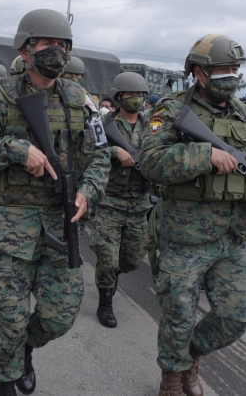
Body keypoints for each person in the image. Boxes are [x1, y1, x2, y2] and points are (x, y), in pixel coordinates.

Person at [0, 9, 109, 396]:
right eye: (48, 45)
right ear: (26, 50)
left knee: (59, 315)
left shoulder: (83, 101)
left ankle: (26, 348)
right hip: (12, 223)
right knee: (10, 314)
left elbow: (101, 157)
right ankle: (5, 379)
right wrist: (16, 149)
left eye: (64, 46)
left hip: (61, 223)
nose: (57, 53)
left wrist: (87, 192)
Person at [141, 34, 246, 396]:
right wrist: (202, 156)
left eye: (235, 69)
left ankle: (191, 355)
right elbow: (150, 161)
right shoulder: (172, 110)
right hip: (184, 236)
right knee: (178, 315)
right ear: (199, 73)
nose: (232, 77)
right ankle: (173, 377)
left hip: (232, 236)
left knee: (237, 312)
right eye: (223, 70)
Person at [89, 72, 152, 328]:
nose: (135, 99)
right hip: (110, 202)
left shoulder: (152, 126)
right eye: (130, 95)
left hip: (139, 204)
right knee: (107, 258)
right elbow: (87, 149)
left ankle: (112, 277)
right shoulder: (103, 123)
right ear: (119, 97)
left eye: (139, 95)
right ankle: (105, 301)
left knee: (132, 259)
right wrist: (115, 151)